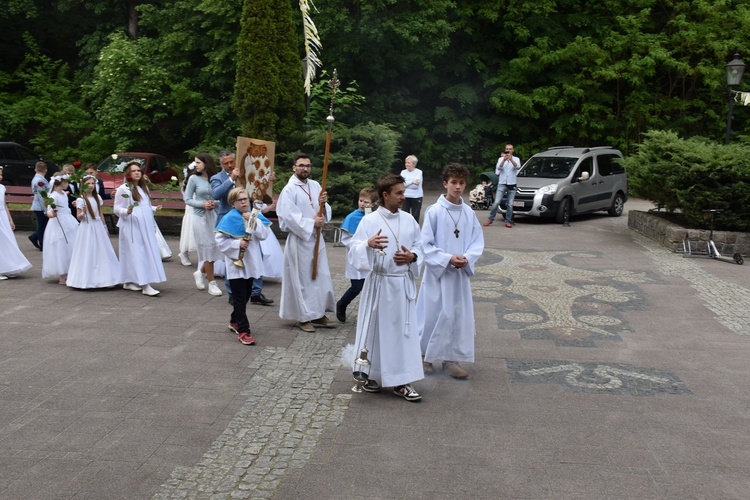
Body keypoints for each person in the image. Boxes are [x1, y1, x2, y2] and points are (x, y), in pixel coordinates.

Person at [348, 173, 424, 402]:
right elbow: (353, 250)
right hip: (379, 284)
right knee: (376, 331)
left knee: (402, 333)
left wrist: (412, 256)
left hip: (401, 285)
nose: (403, 197)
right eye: (399, 193)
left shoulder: (409, 220)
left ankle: (402, 381)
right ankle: (371, 374)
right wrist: (367, 245)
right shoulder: (369, 221)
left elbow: (420, 246)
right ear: (385, 195)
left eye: (404, 192)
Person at [417, 163, 485, 379]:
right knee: (433, 314)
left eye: (461, 183)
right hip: (439, 273)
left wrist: (467, 258)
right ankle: (424, 356)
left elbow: (477, 241)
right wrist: (447, 259)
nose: (458, 187)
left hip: (459, 275)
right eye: (453, 182)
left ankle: (451, 359)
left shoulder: (468, 212)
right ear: (445, 184)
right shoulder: (435, 211)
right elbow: (425, 243)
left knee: (456, 314)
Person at [276, 153, 336, 332]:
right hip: (300, 241)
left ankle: (318, 313)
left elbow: (323, 210)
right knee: (302, 280)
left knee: (320, 276)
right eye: (301, 165)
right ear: (294, 167)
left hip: (316, 240)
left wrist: (323, 206)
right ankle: (303, 317)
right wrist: (311, 223)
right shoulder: (289, 190)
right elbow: (288, 217)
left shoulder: (316, 185)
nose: (305, 169)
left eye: (308, 165)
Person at [215, 187, 269, 346]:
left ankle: (234, 321)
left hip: (251, 262)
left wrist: (254, 220)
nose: (244, 202)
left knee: (245, 296)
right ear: (233, 203)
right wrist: (238, 243)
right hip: (236, 265)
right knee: (239, 298)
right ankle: (244, 331)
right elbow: (220, 242)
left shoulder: (255, 215)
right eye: (240, 200)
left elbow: (264, 235)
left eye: (246, 199)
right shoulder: (229, 218)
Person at [114, 161, 166, 296]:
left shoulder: (144, 188)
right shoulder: (123, 189)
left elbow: (145, 206)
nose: (137, 172)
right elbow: (117, 208)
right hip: (131, 225)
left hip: (144, 225)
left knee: (140, 252)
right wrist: (127, 211)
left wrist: (154, 209)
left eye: (139, 170)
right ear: (128, 174)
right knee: (138, 253)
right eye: (134, 171)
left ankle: (128, 280)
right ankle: (145, 284)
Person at [66, 175, 120, 289]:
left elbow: (100, 214)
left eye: (92, 183)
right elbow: (79, 217)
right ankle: (86, 279)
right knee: (88, 251)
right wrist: (84, 212)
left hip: (98, 226)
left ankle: (105, 278)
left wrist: (105, 227)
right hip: (87, 227)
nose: (91, 186)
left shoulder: (97, 198)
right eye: (88, 183)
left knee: (102, 251)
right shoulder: (81, 200)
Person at [335, 187, 378, 322]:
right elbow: (346, 239)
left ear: (373, 204)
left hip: (371, 257)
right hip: (356, 257)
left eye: (366, 202)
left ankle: (369, 312)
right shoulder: (352, 217)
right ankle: (341, 304)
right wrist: (363, 245)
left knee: (371, 286)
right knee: (357, 287)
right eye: (361, 201)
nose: (362, 204)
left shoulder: (374, 217)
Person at [183, 153, 224, 296]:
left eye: (198, 162)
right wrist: (202, 204)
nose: (196, 165)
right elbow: (187, 199)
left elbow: (222, 196)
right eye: (195, 162)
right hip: (199, 218)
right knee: (207, 248)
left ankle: (199, 272)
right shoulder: (193, 178)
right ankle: (212, 283)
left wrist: (215, 203)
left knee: (216, 247)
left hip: (214, 216)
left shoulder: (216, 178)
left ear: (207, 163)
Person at [211, 150, 241, 304]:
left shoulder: (244, 173)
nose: (230, 165)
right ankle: (232, 294)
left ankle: (256, 292)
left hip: (244, 219)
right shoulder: (217, 178)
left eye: (232, 162)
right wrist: (231, 179)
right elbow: (215, 194)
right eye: (226, 163)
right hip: (227, 221)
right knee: (230, 259)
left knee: (252, 255)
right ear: (220, 164)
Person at [42, 173, 80, 285]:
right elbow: (48, 211)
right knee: (61, 246)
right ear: (62, 183)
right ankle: (62, 274)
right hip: (58, 222)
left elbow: (65, 206)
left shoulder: (63, 193)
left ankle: (70, 271)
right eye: (66, 182)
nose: (68, 184)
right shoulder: (53, 196)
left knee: (71, 244)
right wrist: (51, 214)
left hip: (68, 220)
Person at [0, 167, 32, 279]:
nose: (0, 177)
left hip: (2, 216)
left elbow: (4, 205)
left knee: (7, 241)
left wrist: (10, 219)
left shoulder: (2, 187)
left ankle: (7, 266)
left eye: (1, 175)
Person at [484, 144, 521, 228]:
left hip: (512, 183)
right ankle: (490, 219)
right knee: (496, 202)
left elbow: (518, 167)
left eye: (510, 149)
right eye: (507, 149)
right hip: (502, 183)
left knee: (510, 204)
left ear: (512, 150)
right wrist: (504, 160)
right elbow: (498, 168)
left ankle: (508, 221)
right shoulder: (501, 159)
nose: (508, 150)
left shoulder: (516, 159)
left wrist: (511, 160)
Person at [178, 162, 197, 266]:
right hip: (191, 209)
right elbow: (187, 197)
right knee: (189, 231)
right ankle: (183, 252)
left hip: (198, 208)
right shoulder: (190, 181)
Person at [28, 161, 49, 251]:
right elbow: (42, 196)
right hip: (40, 207)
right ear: (46, 170)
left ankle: (34, 236)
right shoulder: (40, 180)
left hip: (39, 205)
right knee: (42, 226)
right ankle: (42, 244)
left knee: (43, 224)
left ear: (35, 169)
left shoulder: (37, 178)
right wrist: (45, 209)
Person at [400, 155, 423, 222]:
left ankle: (415, 230)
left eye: (408, 163)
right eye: (406, 163)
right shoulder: (403, 172)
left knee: (415, 216)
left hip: (416, 196)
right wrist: (412, 182)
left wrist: (407, 183)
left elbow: (415, 186)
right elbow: (401, 184)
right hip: (405, 196)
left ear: (414, 164)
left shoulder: (419, 172)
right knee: (404, 214)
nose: (406, 164)